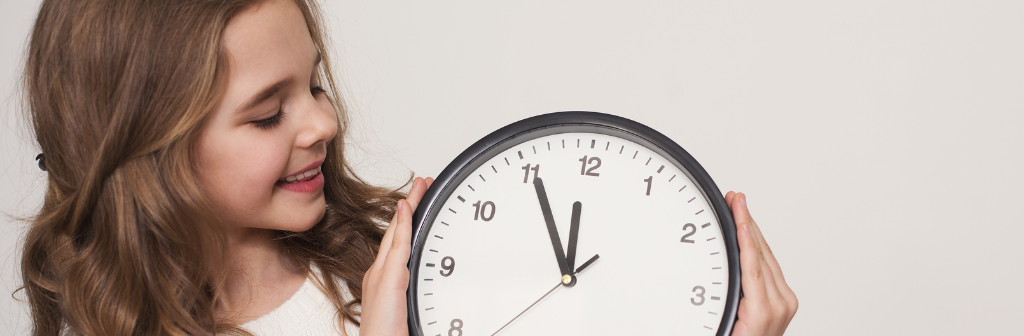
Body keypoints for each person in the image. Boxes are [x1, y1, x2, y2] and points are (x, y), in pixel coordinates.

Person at [17, 0, 797, 335]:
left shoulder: (405, 263)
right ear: (142, 153)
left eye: (315, 83)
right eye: (267, 113)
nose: (323, 121)